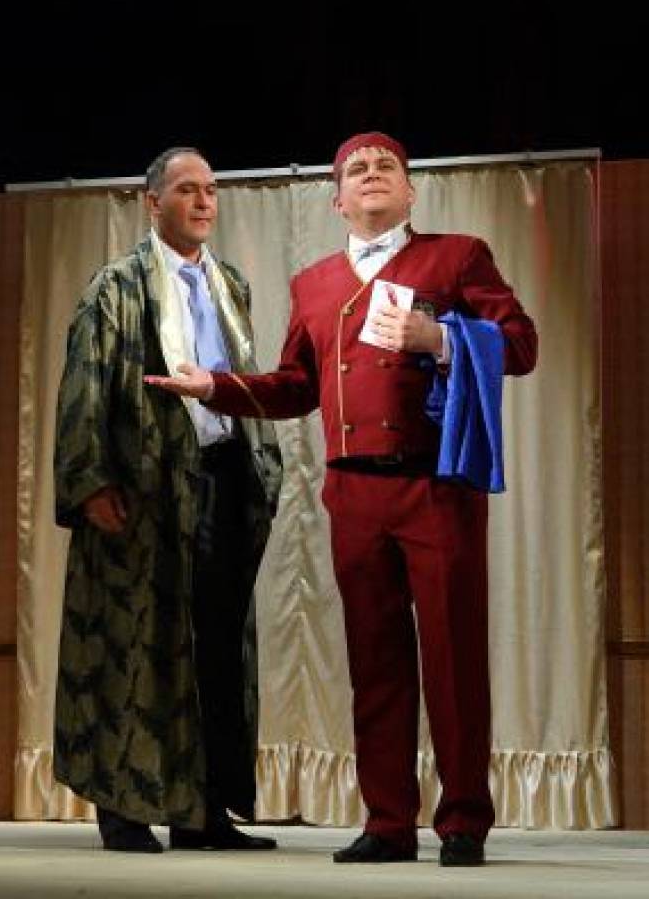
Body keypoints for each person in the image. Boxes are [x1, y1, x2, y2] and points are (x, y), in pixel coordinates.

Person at [147, 132, 537, 866]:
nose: (371, 174)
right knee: (374, 660)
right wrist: (215, 386)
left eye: (386, 165)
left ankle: (462, 820)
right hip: (353, 490)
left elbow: (521, 344)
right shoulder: (315, 283)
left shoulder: (458, 257)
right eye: (356, 169)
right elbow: (296, 386)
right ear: (337, 200)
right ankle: (388, 822)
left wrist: (440, 337)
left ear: (410, 191)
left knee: (454, 656)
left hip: (436, 485)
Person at [52, 147, 283, 853]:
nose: (204, 201)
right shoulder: (117, 286)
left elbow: (240, 379)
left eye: (211, 190)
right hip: (144, 489)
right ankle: (123, 807)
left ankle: (202, 812)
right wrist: (91, 481)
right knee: (131, 644)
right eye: (188, 190)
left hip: (219, 480)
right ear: (153, 203)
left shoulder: (229, 284)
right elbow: (85, 383)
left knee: (213, 644)